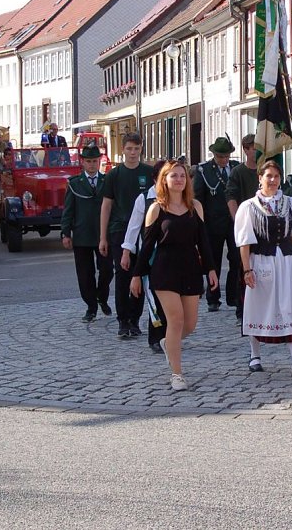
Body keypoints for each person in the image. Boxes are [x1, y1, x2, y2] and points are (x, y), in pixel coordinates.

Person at [131, 160, 217, 392]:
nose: (178, 179)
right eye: (173, 176)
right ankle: (177, 374)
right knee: (176, 320)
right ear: (164, 180)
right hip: (164, 270)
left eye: (182, 176)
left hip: (190, 267)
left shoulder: (195, 206)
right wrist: (137, 275)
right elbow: (147, 246)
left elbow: (204, 242)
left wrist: (210, 269)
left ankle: (167, 342)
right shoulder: (156, 208)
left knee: (189, 324)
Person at [234, 160, 292, 375]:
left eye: (276, 176)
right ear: (260, 178)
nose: (273, 180)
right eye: (268, 176)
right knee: (259, 305)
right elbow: (244, 241)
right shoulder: (248, 206)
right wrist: (247, 269)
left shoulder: (290, 202)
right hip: (261, 260)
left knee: (291, 304)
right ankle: (255, 355)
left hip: (286, 261)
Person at [99, 133, 154, 339]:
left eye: (137, 149)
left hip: (143, 230)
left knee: (139, 272)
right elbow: (106, 205)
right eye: (129, 149)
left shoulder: (148, 173)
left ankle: (135, 319)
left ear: (141, 149)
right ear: (123, 149)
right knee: (122, 274)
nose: (133, 153)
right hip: (119, 229)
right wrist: (102, 236)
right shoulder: (114, 174)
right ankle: (123, 320)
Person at [61, 144, 113, 323]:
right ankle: (91, 307)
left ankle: (102, 297)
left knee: (107, 271)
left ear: (100, 162)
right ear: (82, 162)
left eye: (95, 161)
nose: (92, 165)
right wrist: (65, 233)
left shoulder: (107, 181)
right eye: (88, 161)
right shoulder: (75, 183)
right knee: (85, 274)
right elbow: (68, 210)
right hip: (82, 234)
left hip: (103, 235)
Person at [122, 160, 168, 353]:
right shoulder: (144, 199)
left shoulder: (178, 197)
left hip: (172, 255)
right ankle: (155, 337)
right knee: (153, 296)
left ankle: (169, 335)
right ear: (154, 179)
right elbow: (133, 228)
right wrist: (126, 252)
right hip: (150, 256)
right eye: (163, 177)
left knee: (170, 296)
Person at [193, 136, 241, 313]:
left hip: (234, 221)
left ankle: (233, 295)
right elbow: (197, 198)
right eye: (221, 156)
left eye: (227, 156)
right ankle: (213, 298)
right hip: (213, 223)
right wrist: (200, 223)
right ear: (214, 155)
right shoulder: (204, 171)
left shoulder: (236, 169)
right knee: (213, 260)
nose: (224, 160)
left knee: (236, 258)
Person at [226, 134, 260, 322]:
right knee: (243, 266)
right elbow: (231, 197)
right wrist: (238, 222)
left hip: (263, 228)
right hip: (245, 226)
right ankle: (242, 309)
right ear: (246, 149)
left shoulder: (265, 170)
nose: (256, 151)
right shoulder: (238, 172)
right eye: (253, 147)